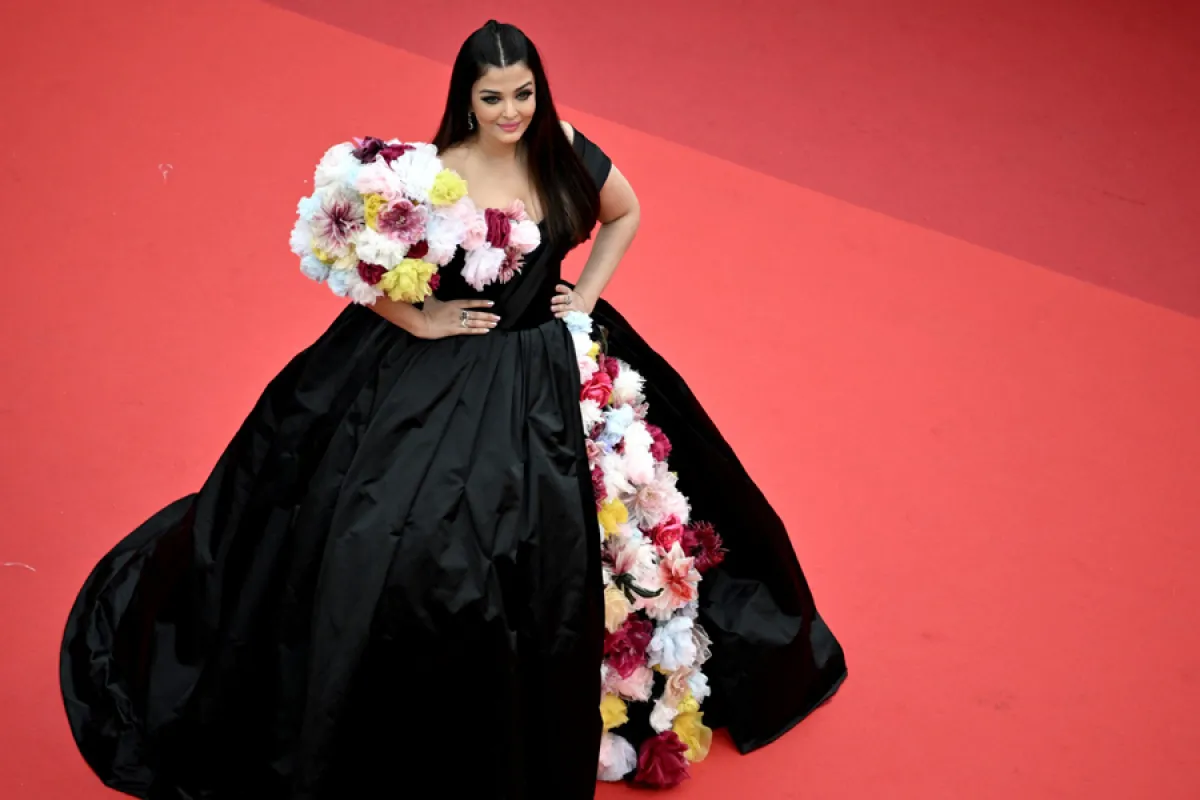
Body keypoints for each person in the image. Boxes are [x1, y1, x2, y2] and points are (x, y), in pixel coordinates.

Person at [59, 19, 846, 800]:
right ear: (466, 101)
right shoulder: (433, 172)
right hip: (437, 370)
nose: (512, 111)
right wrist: (424, 320)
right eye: (494, 97)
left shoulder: (564, 146)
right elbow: (365, 270)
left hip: (550, 360)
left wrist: (589, 296)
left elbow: (626, 212)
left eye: (525, 93)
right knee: (385, 528)